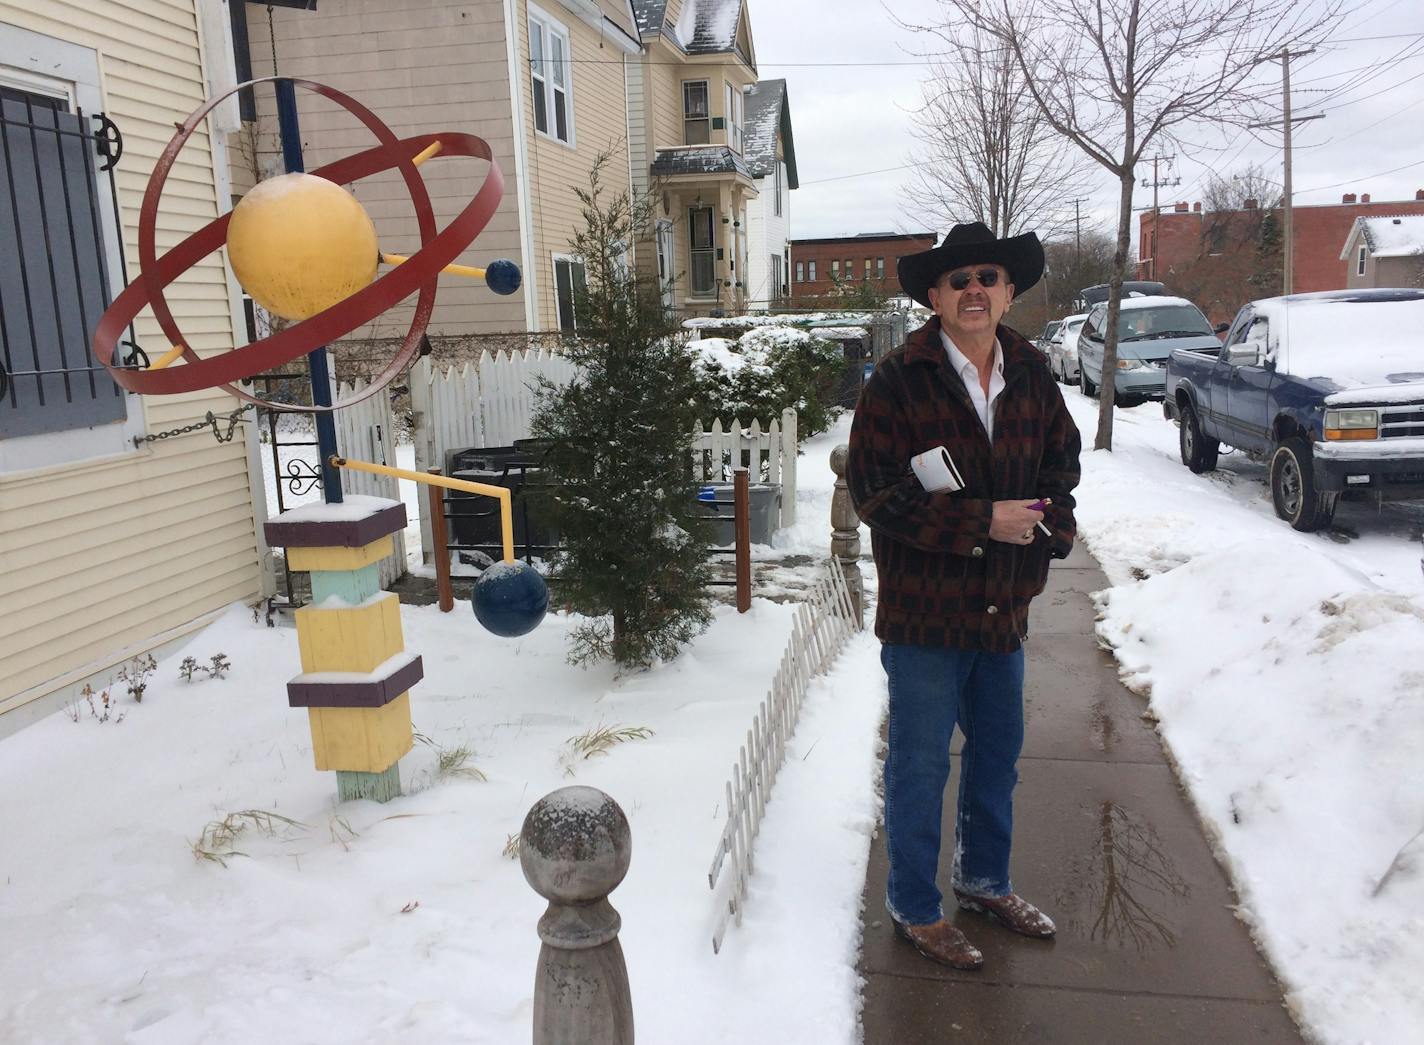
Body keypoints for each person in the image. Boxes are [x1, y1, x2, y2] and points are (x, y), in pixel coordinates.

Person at [847, 223, 1082, 969]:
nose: (974, 289)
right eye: (958, 280)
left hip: (1004, 610)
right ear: (933, 296)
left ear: (1009, 290)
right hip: (924, 615)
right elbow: (875, 494)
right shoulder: (897, 380)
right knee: (920, 763)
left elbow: (1060, 468)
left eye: (988, 276)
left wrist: (1052, 529)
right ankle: (915, 904)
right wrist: (984, 520)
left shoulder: (1034, 373)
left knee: (997, 756)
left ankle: (984, 881)